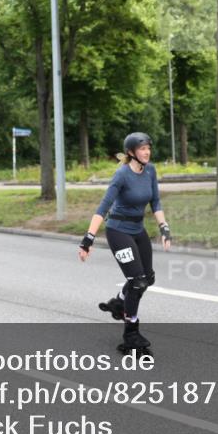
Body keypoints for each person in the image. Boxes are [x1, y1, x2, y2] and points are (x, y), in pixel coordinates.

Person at [78, 132, 171, 354]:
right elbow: (103, 208)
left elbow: (155, 202)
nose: (147, 152)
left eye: (148, 148)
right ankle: (131, 335)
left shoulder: (150, 170)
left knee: (147, 278)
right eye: (142, 149)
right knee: (137, 282)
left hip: (138, 229)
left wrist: (164, 228)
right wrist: (88, 239)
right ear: (131, 152)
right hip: (118, 231)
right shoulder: (121, 175)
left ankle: (120, 303)